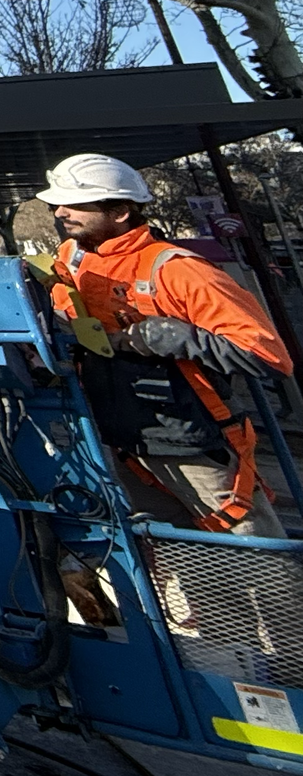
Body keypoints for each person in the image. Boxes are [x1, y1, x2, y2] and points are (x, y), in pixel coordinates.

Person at [39, 152, 293, 536]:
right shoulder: (73, 260)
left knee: (257, 561)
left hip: (191, 445)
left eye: (74, 204)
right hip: (123, 442)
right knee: (174, 565)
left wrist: (176, 337)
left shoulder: (177, 269)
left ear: (121, 211)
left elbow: (268, 357)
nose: (59, 212)